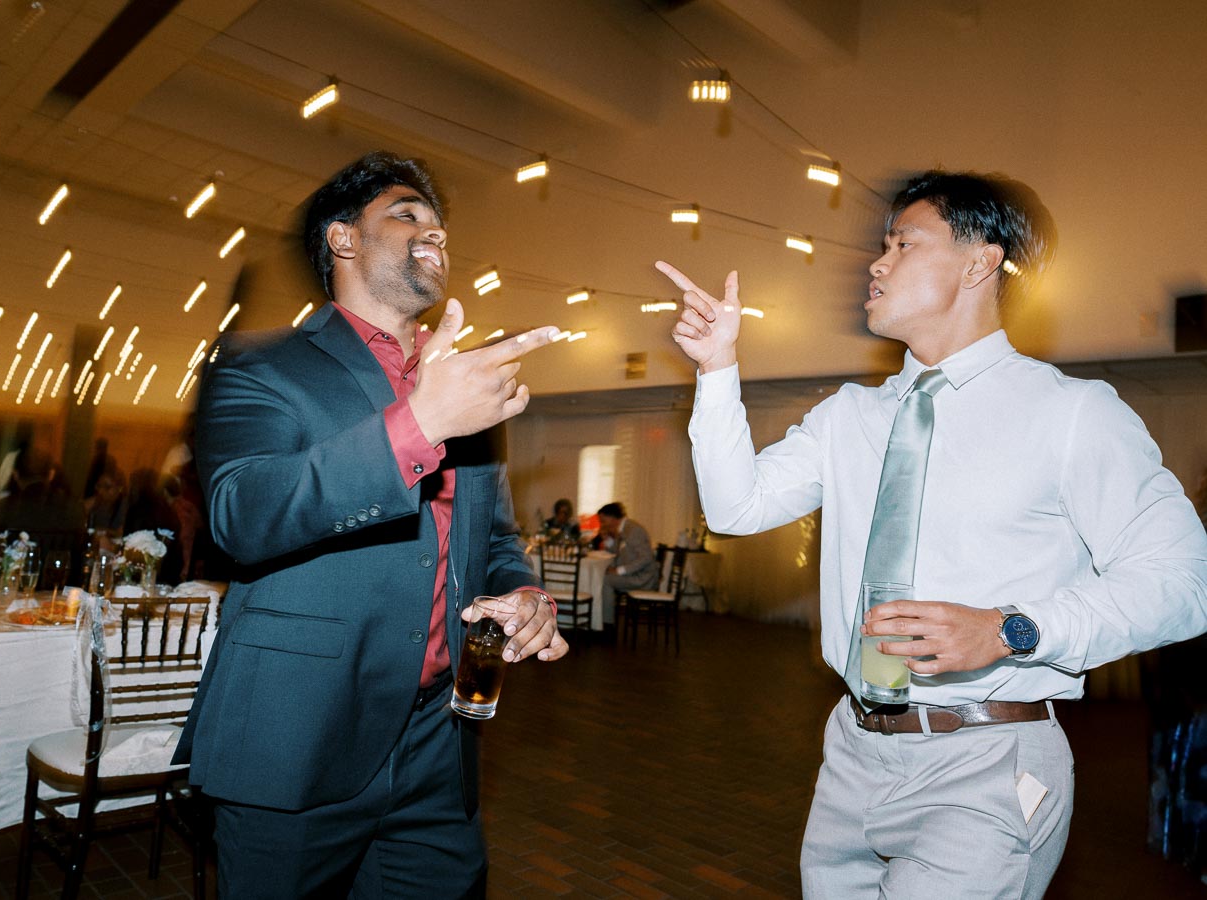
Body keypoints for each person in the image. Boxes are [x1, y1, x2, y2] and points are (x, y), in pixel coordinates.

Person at [661, 170, 1207, 897]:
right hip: (852, 752)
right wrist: (718, 371)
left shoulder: (1073, 414)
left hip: (987, 761)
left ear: (980, 261)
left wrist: (1012, 629)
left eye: (903, 244)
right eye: (881, 246)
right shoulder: (847, 415)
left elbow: (1183, 583)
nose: (876, 263)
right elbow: (735, 508)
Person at [173, 151, 567, 898]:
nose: (435, 232)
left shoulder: (469, 386)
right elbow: (242, 515)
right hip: (294, 736)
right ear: (343, 239)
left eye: (441, 224)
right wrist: (420, 421)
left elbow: (494, 542)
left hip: (435, 742)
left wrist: (526, 598)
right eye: (408, 213)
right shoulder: (262, 366)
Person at [596, 502, 657, 628]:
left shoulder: (633, 530)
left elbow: (646, 558)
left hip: (643, 578)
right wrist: (607, 539)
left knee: (606, 580)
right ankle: (603, 621)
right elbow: (617, 553)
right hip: (634, 575)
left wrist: (620, 571)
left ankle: (607, 625)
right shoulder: (623, 529)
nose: (601, 523)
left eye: (603, 520)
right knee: (603, 577)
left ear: (612, 518)